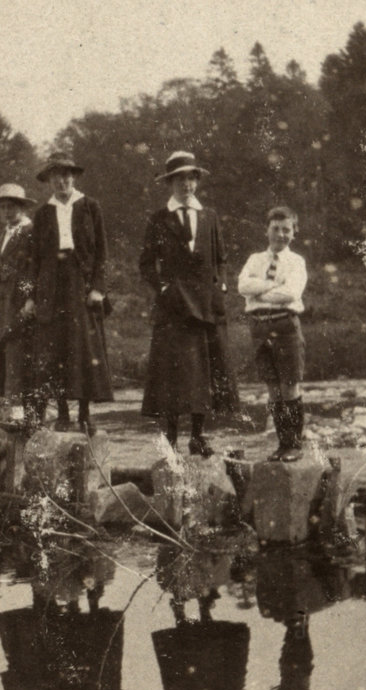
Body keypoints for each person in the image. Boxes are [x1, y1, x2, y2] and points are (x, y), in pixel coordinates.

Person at [139, 151, 234, 456]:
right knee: (172, 372)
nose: (187, 185)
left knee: (203, 371)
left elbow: (220, 259)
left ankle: (198, 435)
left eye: (191, 178)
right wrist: (163, 288)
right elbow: (145, 264)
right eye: (180, 179)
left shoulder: (209, 216)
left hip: (205, 307)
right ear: (170, 183)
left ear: (197, 182)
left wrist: (221, 284)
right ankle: (170, 438)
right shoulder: (158, 219)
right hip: (174, 307)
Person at [23, 152, 113, 436]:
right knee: (55, 349)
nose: (62, 180)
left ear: (73, 177)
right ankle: (62, 413)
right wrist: (31, 296)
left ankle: (85, 414)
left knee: (84, 348)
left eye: (67, 174)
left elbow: (102, 253)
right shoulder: (42, 214)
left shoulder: (90, 207)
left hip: (81, 284)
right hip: (51, 285)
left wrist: (98, 288)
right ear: (49, 180)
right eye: (56, 175)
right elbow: (33, 261)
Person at [237, 206, 307, 461]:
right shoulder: (255, 260)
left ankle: (294, 446)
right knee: (273, 389)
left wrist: (260, 291)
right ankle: (282, 444)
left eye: (286, 229)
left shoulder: (296, 261)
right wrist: (274, 284)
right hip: (259, 327)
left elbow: (290, 293)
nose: (280, 234)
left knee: (289, 386)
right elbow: (243, 286)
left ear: (294, 232)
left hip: (284, 325)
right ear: (266, 230)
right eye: (275, 229)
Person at [0, 183, 36, 425]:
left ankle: (18, 411)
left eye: (12, 206)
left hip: (20, 302)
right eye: (3, 206)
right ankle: (2, 407)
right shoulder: (4, 234)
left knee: (17, 354)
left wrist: (30, 299)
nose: (7, 210)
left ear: (22, 207)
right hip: (1, 302)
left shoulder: (31, 232)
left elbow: (35, 269)